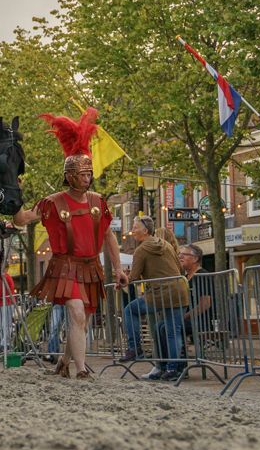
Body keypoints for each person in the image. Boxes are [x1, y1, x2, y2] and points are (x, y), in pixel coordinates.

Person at [13, 108, 128, 380]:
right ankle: (81, 370)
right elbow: (21, 219)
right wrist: (15, 194)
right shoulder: (53, 203)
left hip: (91, 266)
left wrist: (118, 269)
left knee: (82, 320)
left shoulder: (98, 202)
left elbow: (109, 236)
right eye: (82, 174)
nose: (87, 178)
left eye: (89, 173)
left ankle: (65, 362)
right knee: (76, 312)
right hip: (66, 266)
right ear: (70, 175)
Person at [128, 216, 188, 381]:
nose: (132, 231)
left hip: (158, 294)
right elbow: (180, 269)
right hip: (179, 291)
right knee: (173, 331)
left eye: (135, 227)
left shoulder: (141, 250)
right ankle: (173, 369)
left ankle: (134, 348)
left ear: (145, 230)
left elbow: (133, 277)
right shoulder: (167, 245)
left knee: (130, 310)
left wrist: (122, 281)